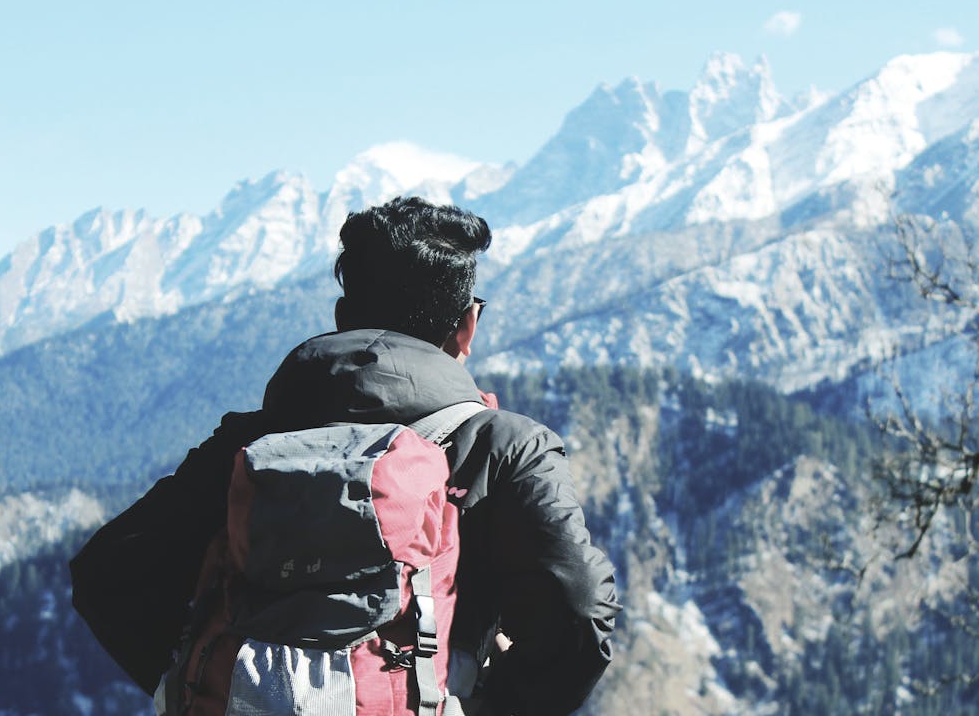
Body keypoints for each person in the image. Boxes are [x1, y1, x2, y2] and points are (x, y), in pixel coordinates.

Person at [69, 196, 620, 715]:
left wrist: (199, 683)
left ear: (342, 317)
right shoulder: (504, 447)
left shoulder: (251, 443)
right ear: (466, 326)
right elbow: (579, 612)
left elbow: (107, 573)